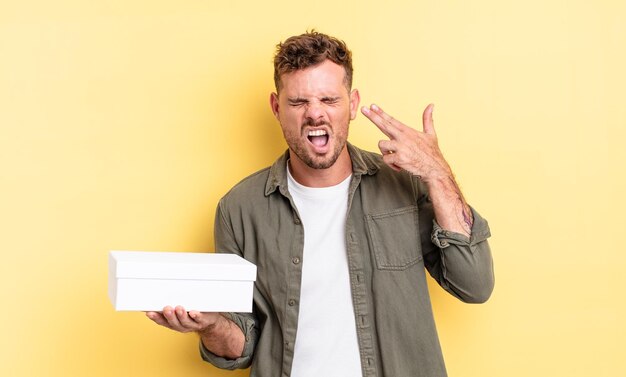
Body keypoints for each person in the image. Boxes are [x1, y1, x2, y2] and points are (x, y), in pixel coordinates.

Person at [146, 31, 494, 377]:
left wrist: (437, 173)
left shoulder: (405, 185)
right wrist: (208, 326)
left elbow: (474, 285)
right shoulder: (239, 210)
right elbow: (242, 346)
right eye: (298, 102)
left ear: (353, 103)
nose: (315, 114)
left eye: (329, 99)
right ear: (276, 107)